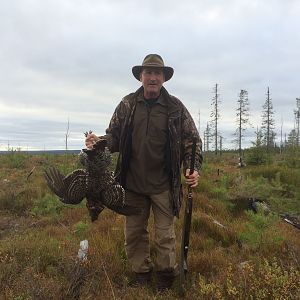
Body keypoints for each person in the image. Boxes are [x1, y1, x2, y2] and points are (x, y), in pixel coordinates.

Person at [85, 54, 203, 291]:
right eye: (148, 73)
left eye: (157, 73)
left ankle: (164, 278)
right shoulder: (128, 104)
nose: (152, 77)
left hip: (163, 185)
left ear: (163, 78)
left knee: (165, 236)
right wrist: (99, 142)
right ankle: (140, 275)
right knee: (135, 234)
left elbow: (192, 142)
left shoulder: (175, 108)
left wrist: (193, 168)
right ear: (141, 76)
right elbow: (115, 136)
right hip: (132, 184)